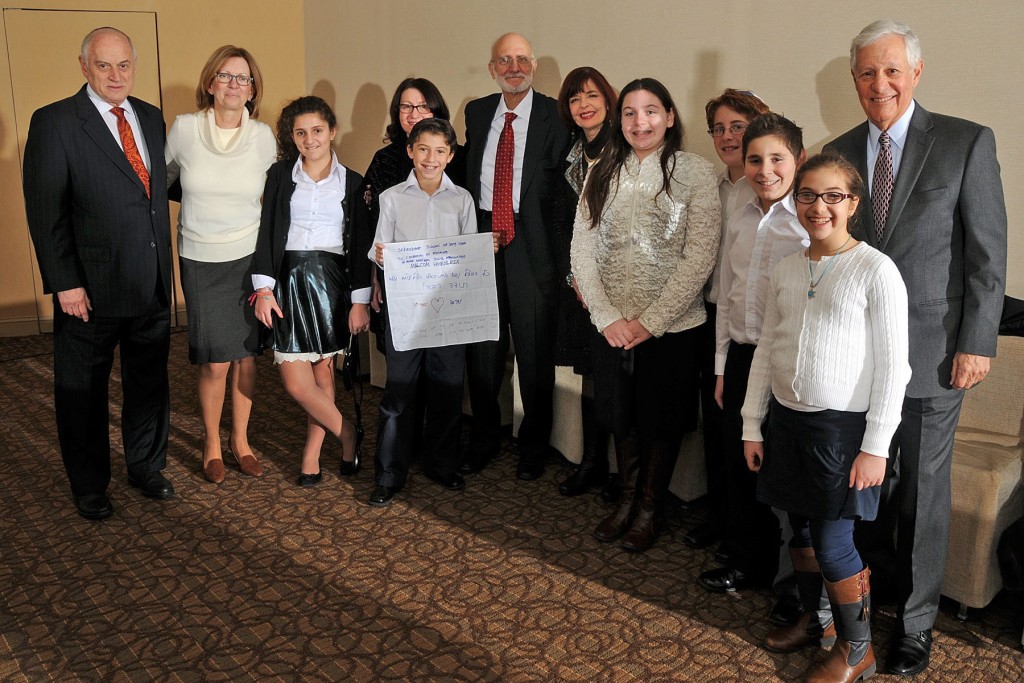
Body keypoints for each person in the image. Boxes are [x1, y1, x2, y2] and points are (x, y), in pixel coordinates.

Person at [825, 20, 1007, 676]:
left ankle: (919, 621)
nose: (881, 85)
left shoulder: (964, 142)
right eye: (868, 73)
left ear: (917, 73)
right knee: (867, 483)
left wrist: (977, 342)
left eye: (892, 71)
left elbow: (988, 255)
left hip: (935, 354)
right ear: (854, 81)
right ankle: (867, 603)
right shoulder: (839, 151)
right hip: (857, 359)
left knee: (925, 491)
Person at [742, 152, 910, 683]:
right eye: (808, 195)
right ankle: (820, 625)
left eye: (833, 196)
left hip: (842, 433)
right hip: (786, 425)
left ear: (853, 203)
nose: (819, 207)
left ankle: (857, 651)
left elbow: (894, 368)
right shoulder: (787, 268)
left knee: (835, 543)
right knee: (801, 533)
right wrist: (752, 423)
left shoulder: (875, 270)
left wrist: (876, 445)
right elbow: (767, 348)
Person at [23, 27, 174, 520]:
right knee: (83, 391)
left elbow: (149, 195)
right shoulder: (56, 122)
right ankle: (89, 483)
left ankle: (145, 466)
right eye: (105, 65)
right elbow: (46, 210)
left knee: (148, 383)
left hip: (150, 282)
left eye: (124, 65)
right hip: (88, 290)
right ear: (84, 66)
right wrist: (64, 281)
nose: (116, 75)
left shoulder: (150, 117)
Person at [572, 78, 720, 552]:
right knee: (622, 417)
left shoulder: (696, 173)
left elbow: (700, 258)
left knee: (662, 421)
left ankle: (651, 508)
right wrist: (607, 316)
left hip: (672, 328)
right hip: (612, 327)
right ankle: (627, 501)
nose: (641, 122)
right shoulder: (600, 171)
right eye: (631, 113)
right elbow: (581, 250)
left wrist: (650, 322)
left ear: (670, 117)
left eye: (651, 111)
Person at [698, 114, 808, 597]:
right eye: (755, 159)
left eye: (777, 159)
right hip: (740, 360)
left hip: (787, 367)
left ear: (798, 161)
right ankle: (748, 563)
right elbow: (727, 296)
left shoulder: (808, 225)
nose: (765, 170)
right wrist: (722, 367)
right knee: (740, 468)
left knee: (787, 476)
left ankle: (796, 583)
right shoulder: (740, 219)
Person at [165, 45, 277, 484]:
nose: (235, 85)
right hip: (199, 256)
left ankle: (241, 441)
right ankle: (212, 443)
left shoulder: (264, 137)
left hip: (249, 256)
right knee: (214, 360)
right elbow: (165, 180)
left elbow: (275, 200)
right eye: (226, 77)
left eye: (243, 79)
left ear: (253, 89)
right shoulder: (184, 129)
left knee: (246, 357)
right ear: (210, 83)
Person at [462, 32, 570, 480]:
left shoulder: (554, 115)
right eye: (504, 60)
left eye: (522, 59)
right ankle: (486, 436)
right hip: (483, 235)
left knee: (533, 349)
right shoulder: (477, 111)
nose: (513, 67)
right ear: (492, 69)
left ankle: (534, 445)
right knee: (484, 347)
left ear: (535, 66)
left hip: (533, 242)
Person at [251, 96, 371, 486]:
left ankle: (311, 455)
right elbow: (268, 232)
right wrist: (264, 288)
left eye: (317, 130)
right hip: (288, 279)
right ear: (292, 136)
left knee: (323, 375)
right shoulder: (280, 175)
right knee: (296, 383)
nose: (310, 139)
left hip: (332, 282)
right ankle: (347, 433)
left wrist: (359, 301)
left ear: (332, 131)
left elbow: (358, 246)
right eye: (300, 132)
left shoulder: (354, 183)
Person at [366, 118, 481, 507]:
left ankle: (441, 464)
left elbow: (469, 255)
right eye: (423, 149)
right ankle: (388, 474)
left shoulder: (462, 199)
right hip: (406, 311)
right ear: (410, 152)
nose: (431, 158)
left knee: (447, 390)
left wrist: (484, 251)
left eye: (440, 151)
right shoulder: (392, 198)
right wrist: (380, 257)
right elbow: (379, 246)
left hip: (449, 311)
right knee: (398, 392)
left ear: (450, 156)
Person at [685, 88, 769, 550]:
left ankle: (745, 531)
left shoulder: (770, 190)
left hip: (752, 327)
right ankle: (719, 517)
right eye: (718, 128)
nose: (726, 136)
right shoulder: (711, 186)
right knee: (714, 428)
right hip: (709, 316)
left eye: (737, 126)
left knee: (743, 431)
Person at [550, 66, 617, 497]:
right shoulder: (571, 153)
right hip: (577, 286)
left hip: (617, 286)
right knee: (591, 375)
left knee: (616, 379)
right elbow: (562, 222)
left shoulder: (623, 150)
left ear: (608, 101)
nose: (584, 105)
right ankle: (592, 461)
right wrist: (573, 277)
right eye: (575, 99)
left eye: (591, 95)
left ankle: (617, 472)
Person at [364, 77, 452, 331]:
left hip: (447, 282)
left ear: (436, 110)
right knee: (402, 359)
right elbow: (370, 223)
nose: (414, 114)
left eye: (423, 106)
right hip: (396, 280)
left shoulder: (457, 159)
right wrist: (373, 278)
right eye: (406, 107)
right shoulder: (383, 160)